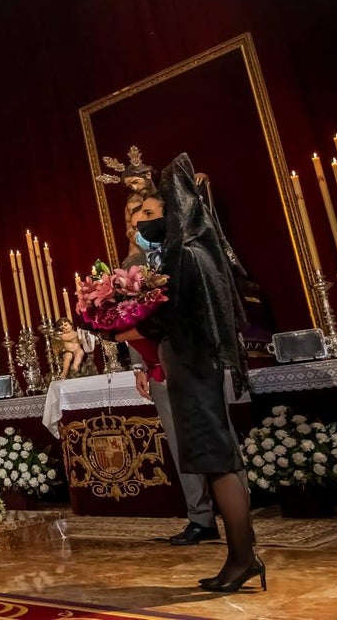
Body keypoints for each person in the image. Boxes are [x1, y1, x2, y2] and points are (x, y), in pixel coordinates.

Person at [126, 154, 262, 593]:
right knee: (214, 460)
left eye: (155, 210)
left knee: (216, 461)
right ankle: (243, 556)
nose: (143, 223)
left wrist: (130, 319)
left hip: (191, 365)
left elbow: (177, 317)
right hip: (191, 366)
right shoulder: (193, 253)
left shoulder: (185, 257)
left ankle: (243, 558)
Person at [125, 197, 220, 546]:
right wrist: (140, 363)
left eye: (149, 215)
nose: (141, 222)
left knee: (214, 436)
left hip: (196, 359)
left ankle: (233, 511)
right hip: (159, 366)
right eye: (136, 217)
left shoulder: (188, 253)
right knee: (180, 443)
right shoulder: (131, 264)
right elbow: (129, 317)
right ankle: (200, 516)